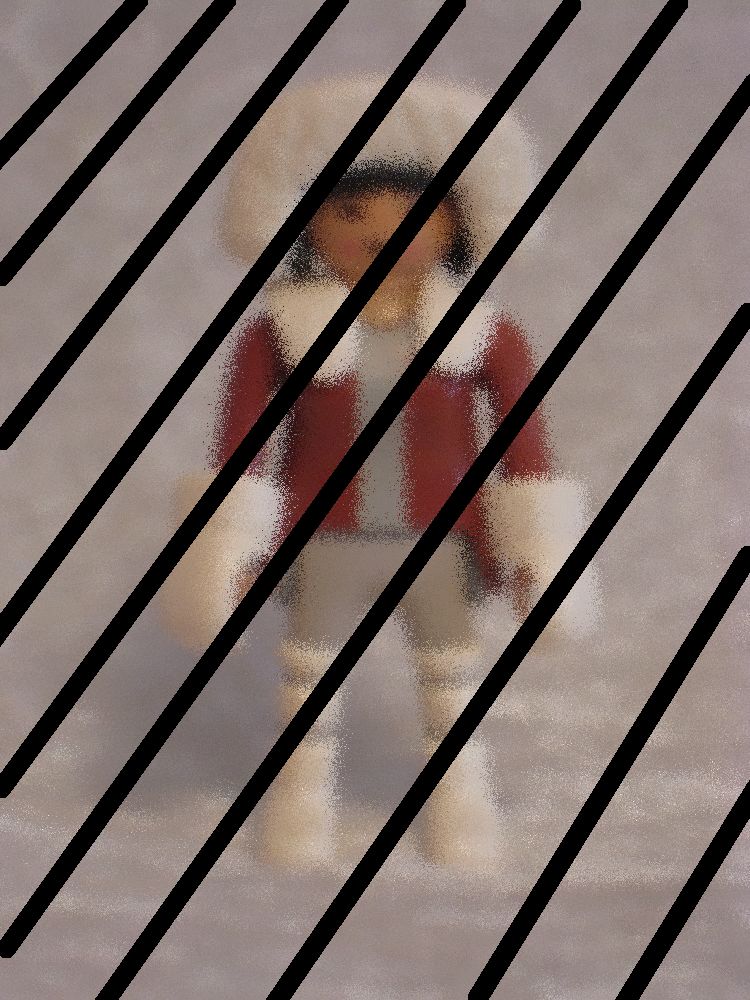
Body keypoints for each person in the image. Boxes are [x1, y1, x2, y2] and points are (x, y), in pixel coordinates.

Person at [162, 76, 594, 871]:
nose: (383, 232)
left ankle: (461, 805)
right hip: (323, 537)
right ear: (307, 223)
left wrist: (539, 553)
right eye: (352, 211)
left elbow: (527, 453)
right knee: (308, 680)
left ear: (459, 222)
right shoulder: (276, 333)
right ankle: (300, 808)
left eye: (417, 211)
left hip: (443, 540)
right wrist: (230, 547)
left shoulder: (487, 336)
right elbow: (244, 449)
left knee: (451, 681)